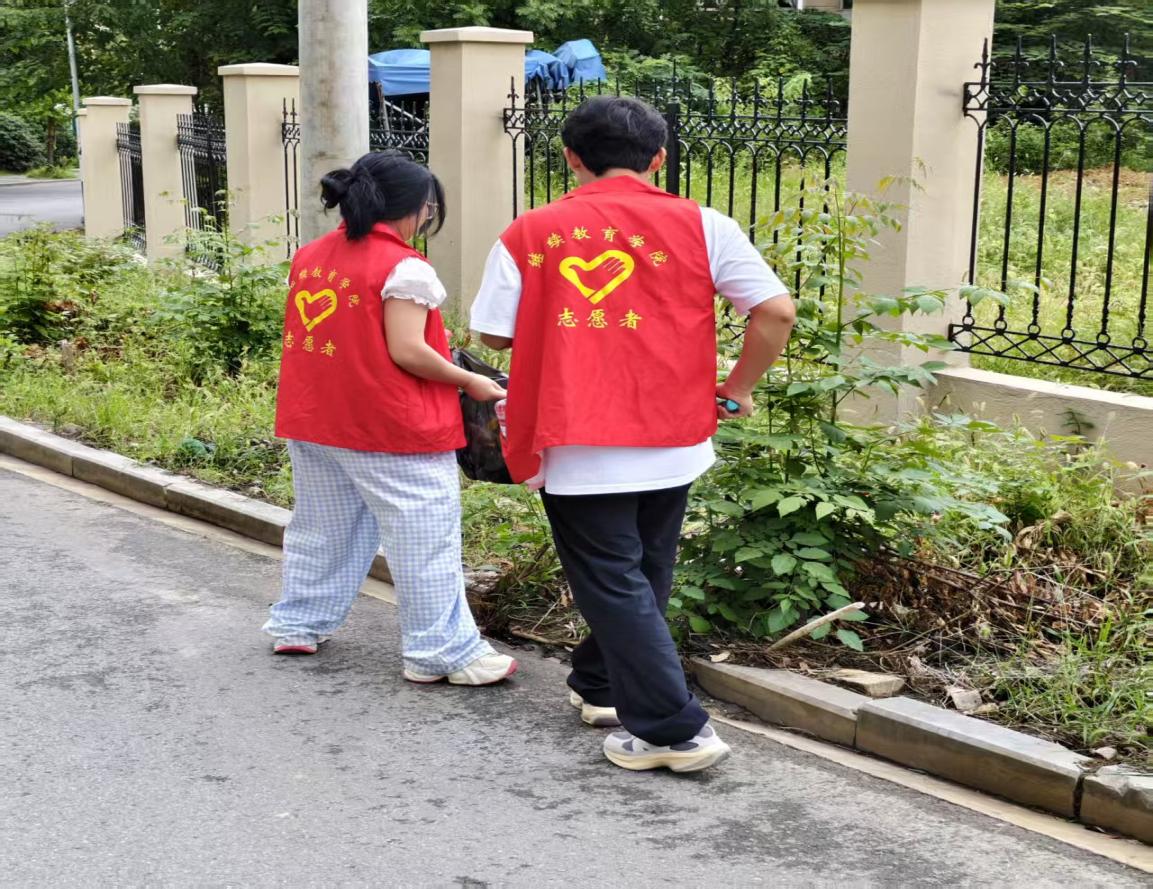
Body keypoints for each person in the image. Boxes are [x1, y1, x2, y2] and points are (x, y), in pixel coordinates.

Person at [470, 97, 795, 770]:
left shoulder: (531, 231)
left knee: (612, 579)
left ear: (570, 158)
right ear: (658, 157)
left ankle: (673, 731)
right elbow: (775, 312)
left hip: (574, 431)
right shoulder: (705, 224)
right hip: (673, 431)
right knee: (644, 570)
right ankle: (599, 684)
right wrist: (738, 389)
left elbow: (493, 335)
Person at [266, 150, 517, 687]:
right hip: (391, 426)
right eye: (430, 208)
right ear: (417, 208)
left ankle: (298, 623)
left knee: (321, 528)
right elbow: (408, 350)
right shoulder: (405, 267)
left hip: (316, 418)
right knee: (424, 540)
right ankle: (441, 652)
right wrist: (470, 380)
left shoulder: (311, 256)